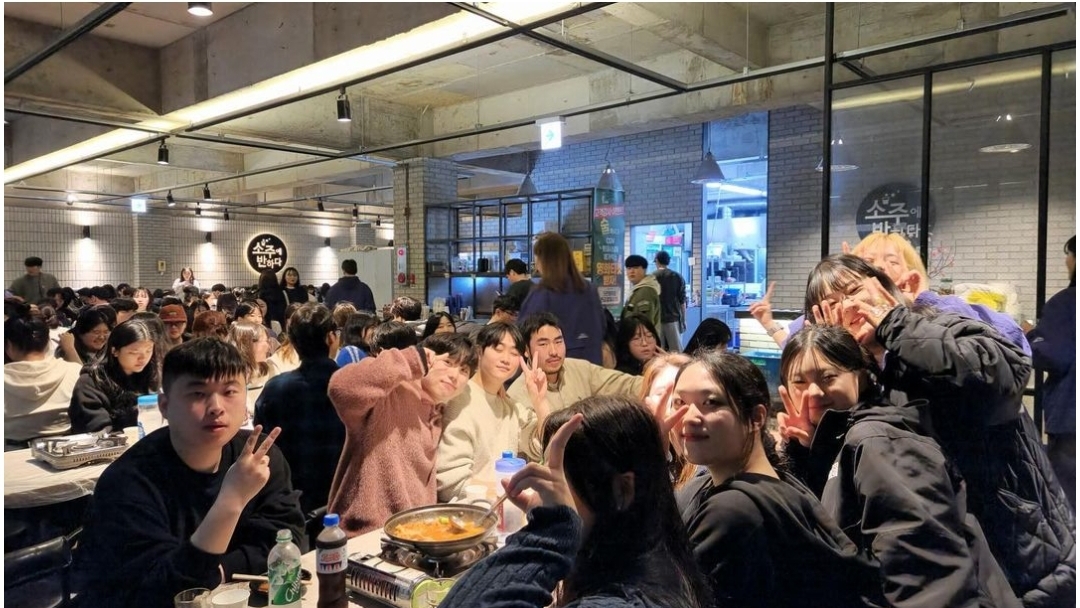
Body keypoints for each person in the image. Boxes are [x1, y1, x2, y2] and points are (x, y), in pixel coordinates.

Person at [804, 254, 1073, 607]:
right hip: (953, 561)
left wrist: (894, 323)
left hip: (1022, 554)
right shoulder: (862, 375)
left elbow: (1003, 375)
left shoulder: (938, 320)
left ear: (884, 287)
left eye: (854, 291)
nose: (848, 307)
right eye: (831, 305)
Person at [778, 325, 1020, 608]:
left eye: (828, 377)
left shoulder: (877, 440)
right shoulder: (841, 442)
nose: (814, 392)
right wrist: (806, 452)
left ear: (859, 375)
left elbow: (925, 574)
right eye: (799, 382)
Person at [74, 338, 305, 608]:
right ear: (164, 406)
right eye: (198, 393)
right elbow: (163, 591)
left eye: (229, 391)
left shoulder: (259, 457)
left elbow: (287, 539)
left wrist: (219, 571)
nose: (216, 406)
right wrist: (231, 500)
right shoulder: (128, 482)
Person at [441, 397, 711, 608]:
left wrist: (547, 534)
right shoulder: (652, 557)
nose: (547, 488)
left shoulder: (619, 601)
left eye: (560, 477)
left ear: (623, 488)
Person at [673, 350, 880, 608]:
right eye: (679, 403)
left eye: (711, 402)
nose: (689, 417)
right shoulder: (783, 485)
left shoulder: (732, 510)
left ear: (756, 418)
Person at [327, 333, 476, 536]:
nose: (454, 375)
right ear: (429, 358)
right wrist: (412, 359)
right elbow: (340, 387)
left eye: (464, 370)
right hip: (365, 533)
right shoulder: (391, 393)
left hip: (413, 534)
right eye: (448, 362)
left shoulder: (437, 413)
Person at [437, 322, 549, 502]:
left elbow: (539, 446)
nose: (506, 359)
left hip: (503, 506)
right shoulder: (459, 400)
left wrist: (540, 401)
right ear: (479, 352)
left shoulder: (509, 405)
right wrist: (509, 492)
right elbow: (451, 483)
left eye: (514, 353)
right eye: (498, 349)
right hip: (470, 511)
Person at [508, 313, 642, 461]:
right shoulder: (516, 394)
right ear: (526, 350)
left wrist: (656, 378)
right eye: (543, 344)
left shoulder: (578, 369)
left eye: (558, 341)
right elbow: (538, 447)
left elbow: (625, 384)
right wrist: (540, 404)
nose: (553, 351)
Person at [254, 303, 344, 514]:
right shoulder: (353, 384)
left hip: (292, 499)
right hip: (346, 495)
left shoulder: (274, 389)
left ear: (293, 342)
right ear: (331, 337)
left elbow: (263, 445)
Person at [1028, 235, 1076, 511]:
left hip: (1070, 418)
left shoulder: (1066, 303)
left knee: (1068, 503)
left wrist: (1029, 337)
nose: (1066, 261)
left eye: (1069, 254)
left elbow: (1053, 355)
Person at [518, 232, 607, 365]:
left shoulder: (543, 293)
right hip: (592, 363)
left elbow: (524, 333)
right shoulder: (589, 289)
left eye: (537, 258)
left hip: (556, 366)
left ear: (544, 260)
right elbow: (602, 326)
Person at [68, 319, 159, 434]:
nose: (143, 358)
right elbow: (97, 430)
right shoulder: (92, 382)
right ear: (114, 351)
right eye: (134, 352)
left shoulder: (153, 376)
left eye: (148, 351)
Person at [5, 305, 79, 447]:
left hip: (11, 454)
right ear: (47, 341)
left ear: (9, 345)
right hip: (65, 450)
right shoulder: (73, 371)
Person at [640, 352, 695, 488]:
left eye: (679, 395)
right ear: (646, 401)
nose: (670, 402)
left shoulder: (705, 454)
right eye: (661, 393)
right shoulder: (638, 450)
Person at [227, 320, 277, 419]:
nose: (269, 347)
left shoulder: (268, 370)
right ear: (249, 344)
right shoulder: (226, 376)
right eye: (266, 341)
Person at [653, 251, 687, 352]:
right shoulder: (677, 277)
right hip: (673, 319)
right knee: (676, 351)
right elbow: (682, 302)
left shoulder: (651, 277)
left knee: (658, 351)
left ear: (657, 261)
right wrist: (684, 320)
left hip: (656, 321)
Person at [623, 254, 661, 330]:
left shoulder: (646, 291)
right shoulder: (637, 289)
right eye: (629, 268)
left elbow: (645, 324)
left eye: (636, 268)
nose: (632, 271)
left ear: (644, 270)